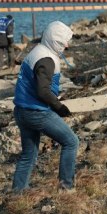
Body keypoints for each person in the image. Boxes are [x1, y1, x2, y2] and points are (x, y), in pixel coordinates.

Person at [12, 21, 78, 192]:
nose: (67, 46)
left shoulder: (38, 50)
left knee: (29, 155)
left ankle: (17, 193)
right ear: (55, 41)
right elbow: (42, 91)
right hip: (36, 112)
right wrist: (59, 107)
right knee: (71, 142)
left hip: (21, 110)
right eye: (64, 43)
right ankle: (67, 188)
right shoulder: (46, 59)